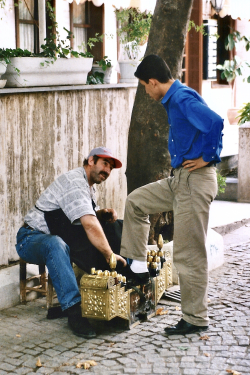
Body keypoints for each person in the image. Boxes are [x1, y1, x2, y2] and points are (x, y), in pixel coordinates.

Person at [120, 55, 224, 335]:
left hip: (194, 181)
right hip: (179, 180)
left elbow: (215, 122)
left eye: (144, 86)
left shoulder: (180, 99)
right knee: (136, 202)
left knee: (189, 254)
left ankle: (195, 319)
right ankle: (138, 266)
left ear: (154, 82)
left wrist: (208, 157)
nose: (146, 91)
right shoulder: (176, 98)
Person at [16, 147, 127, 338]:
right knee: (56, 245)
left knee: (115, 225)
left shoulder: (89, 187)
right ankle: (74, 311)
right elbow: (89, 224)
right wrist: (109, 256)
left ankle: (114, 295)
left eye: (110, 168)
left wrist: (103, 213)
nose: (107, 171)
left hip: (58, 236)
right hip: (30, 238)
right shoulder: (75, 182)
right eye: (105, 164)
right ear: (91, 160)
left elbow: (91, 218)